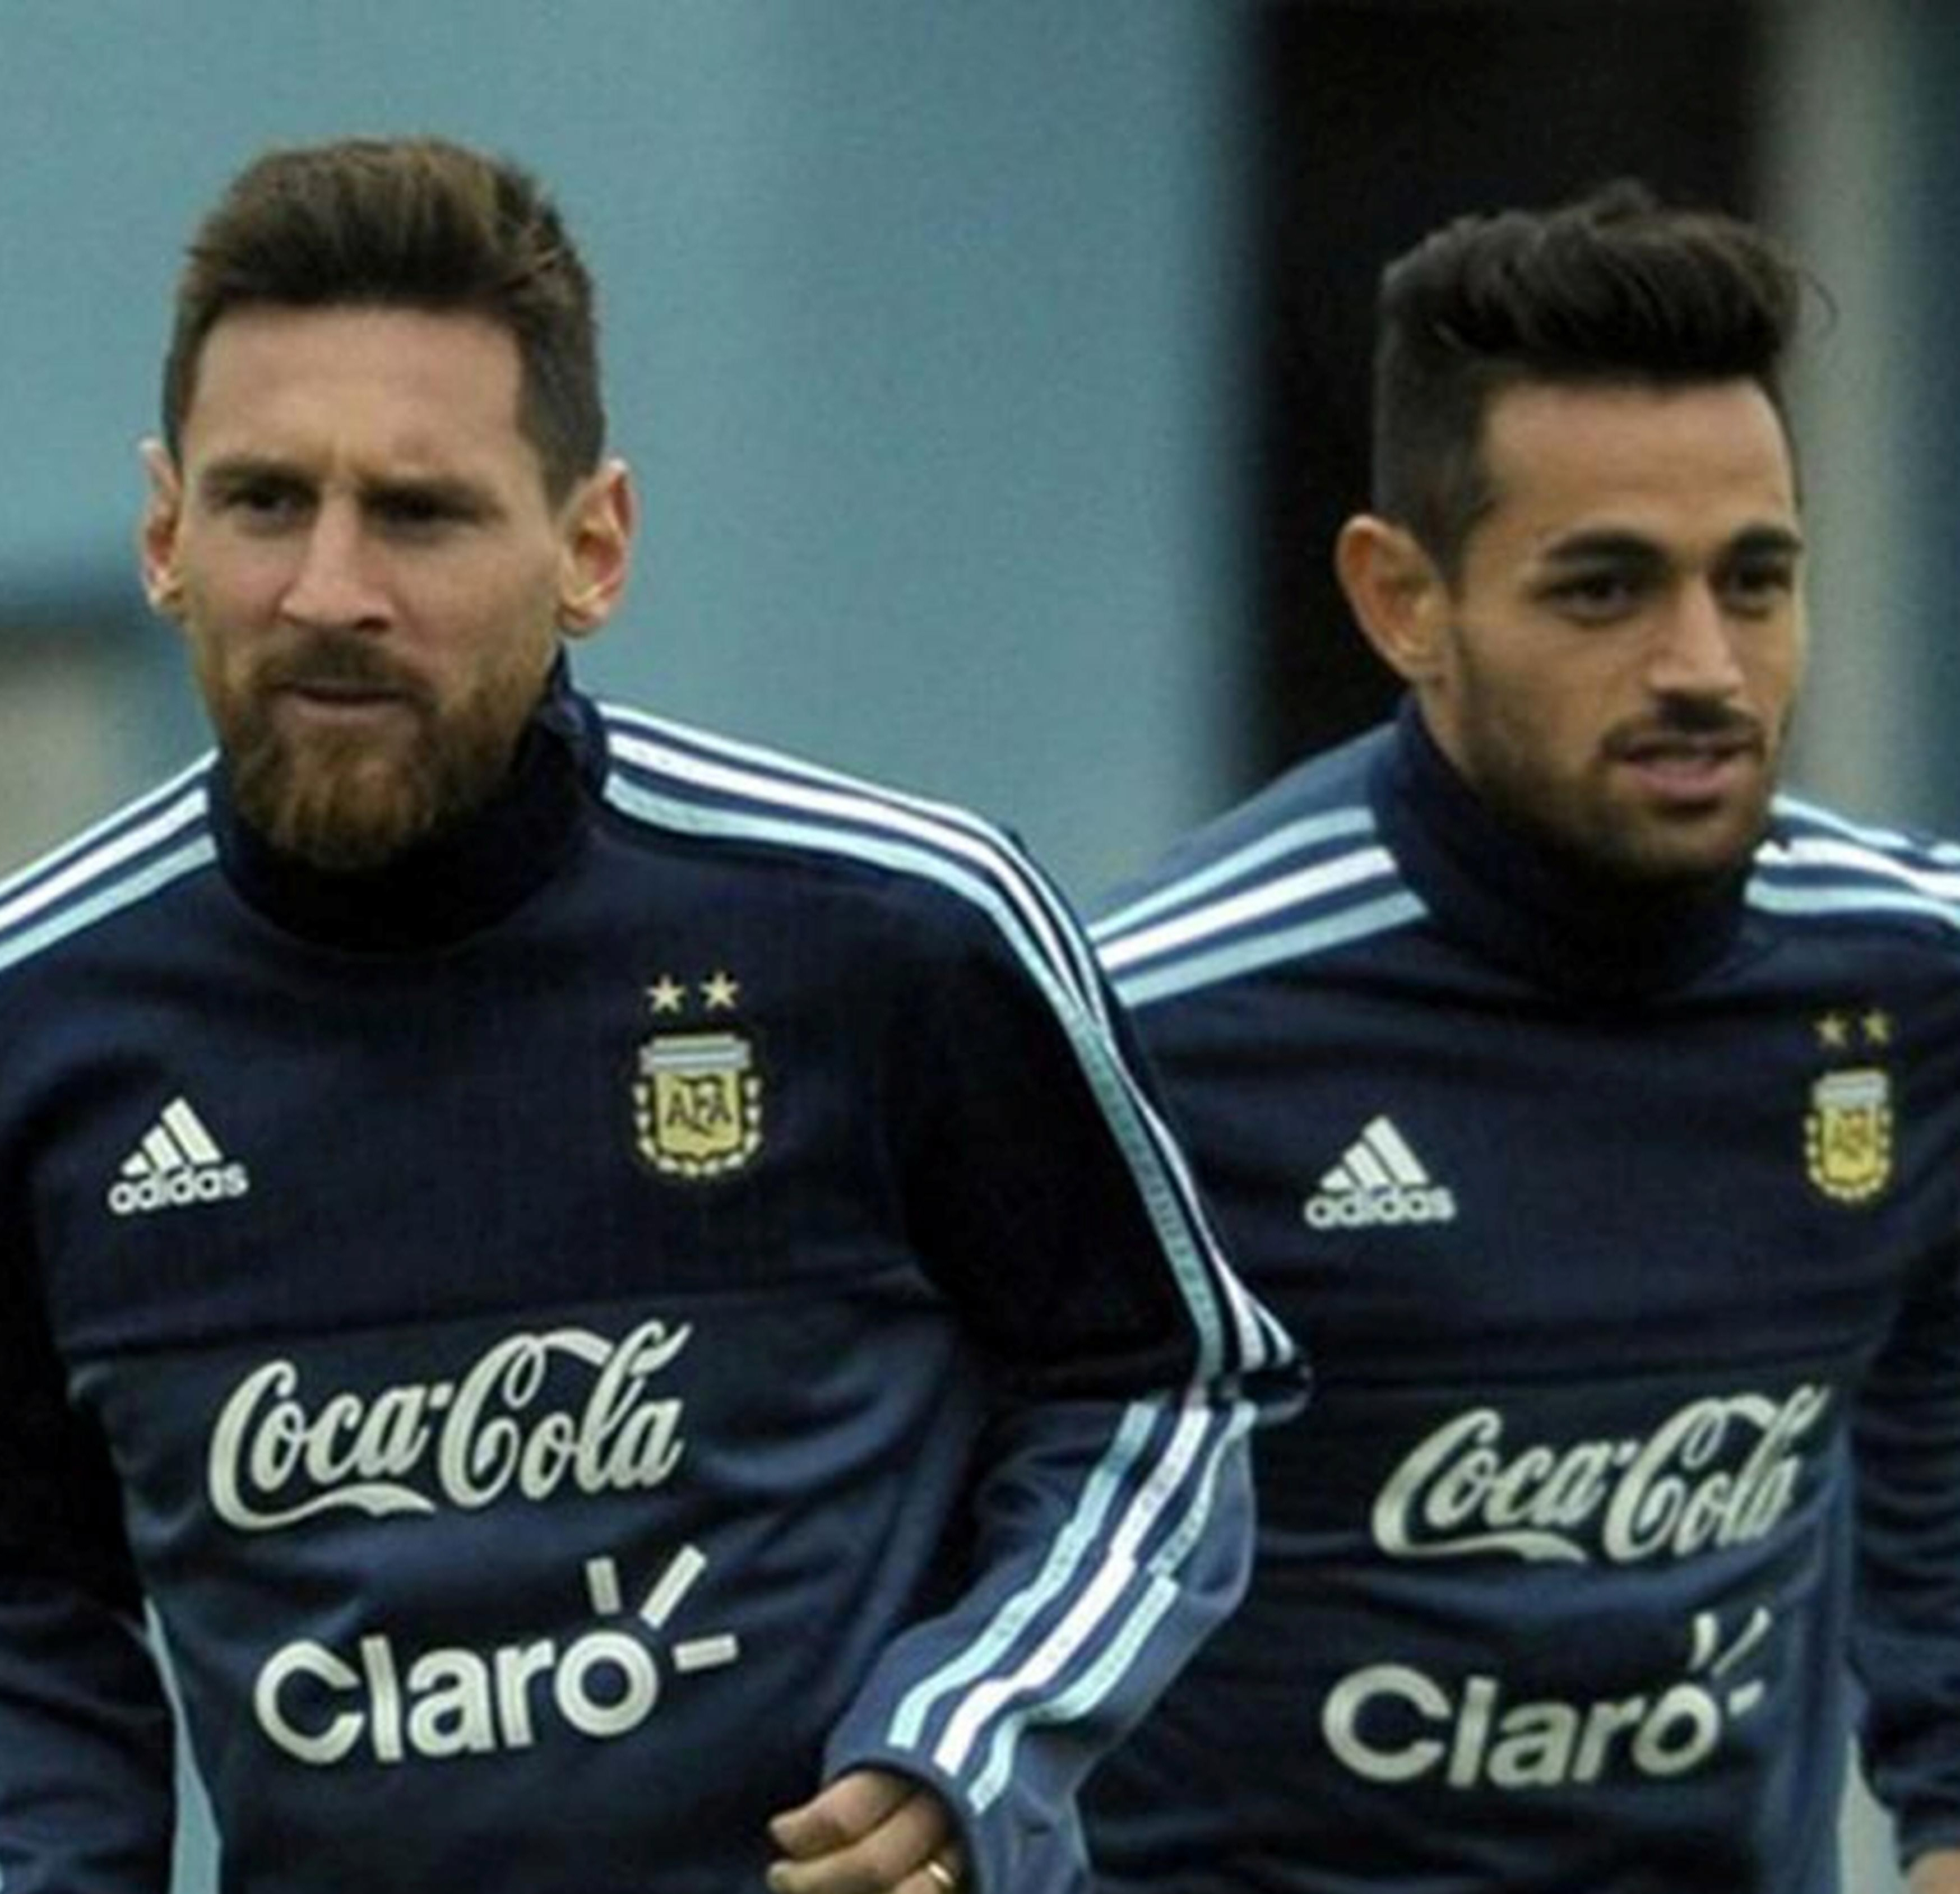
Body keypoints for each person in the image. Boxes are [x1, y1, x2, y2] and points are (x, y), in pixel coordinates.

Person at [0, 135, 1298, 1894]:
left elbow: (1158, 1386)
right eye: (264, 502)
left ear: (590, 546)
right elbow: (26, 1596)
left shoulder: (890, 927)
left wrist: (972, 1735)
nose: (329, 591)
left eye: (420, 512)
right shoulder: (43, 1015)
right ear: (165, 535)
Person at [1082, 180, 1960, 1893]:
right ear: (1401, 599)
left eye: (1754, 581)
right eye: (1603, 589)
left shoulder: (1911, 983)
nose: (1702, 665)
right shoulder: (1155, 1026)